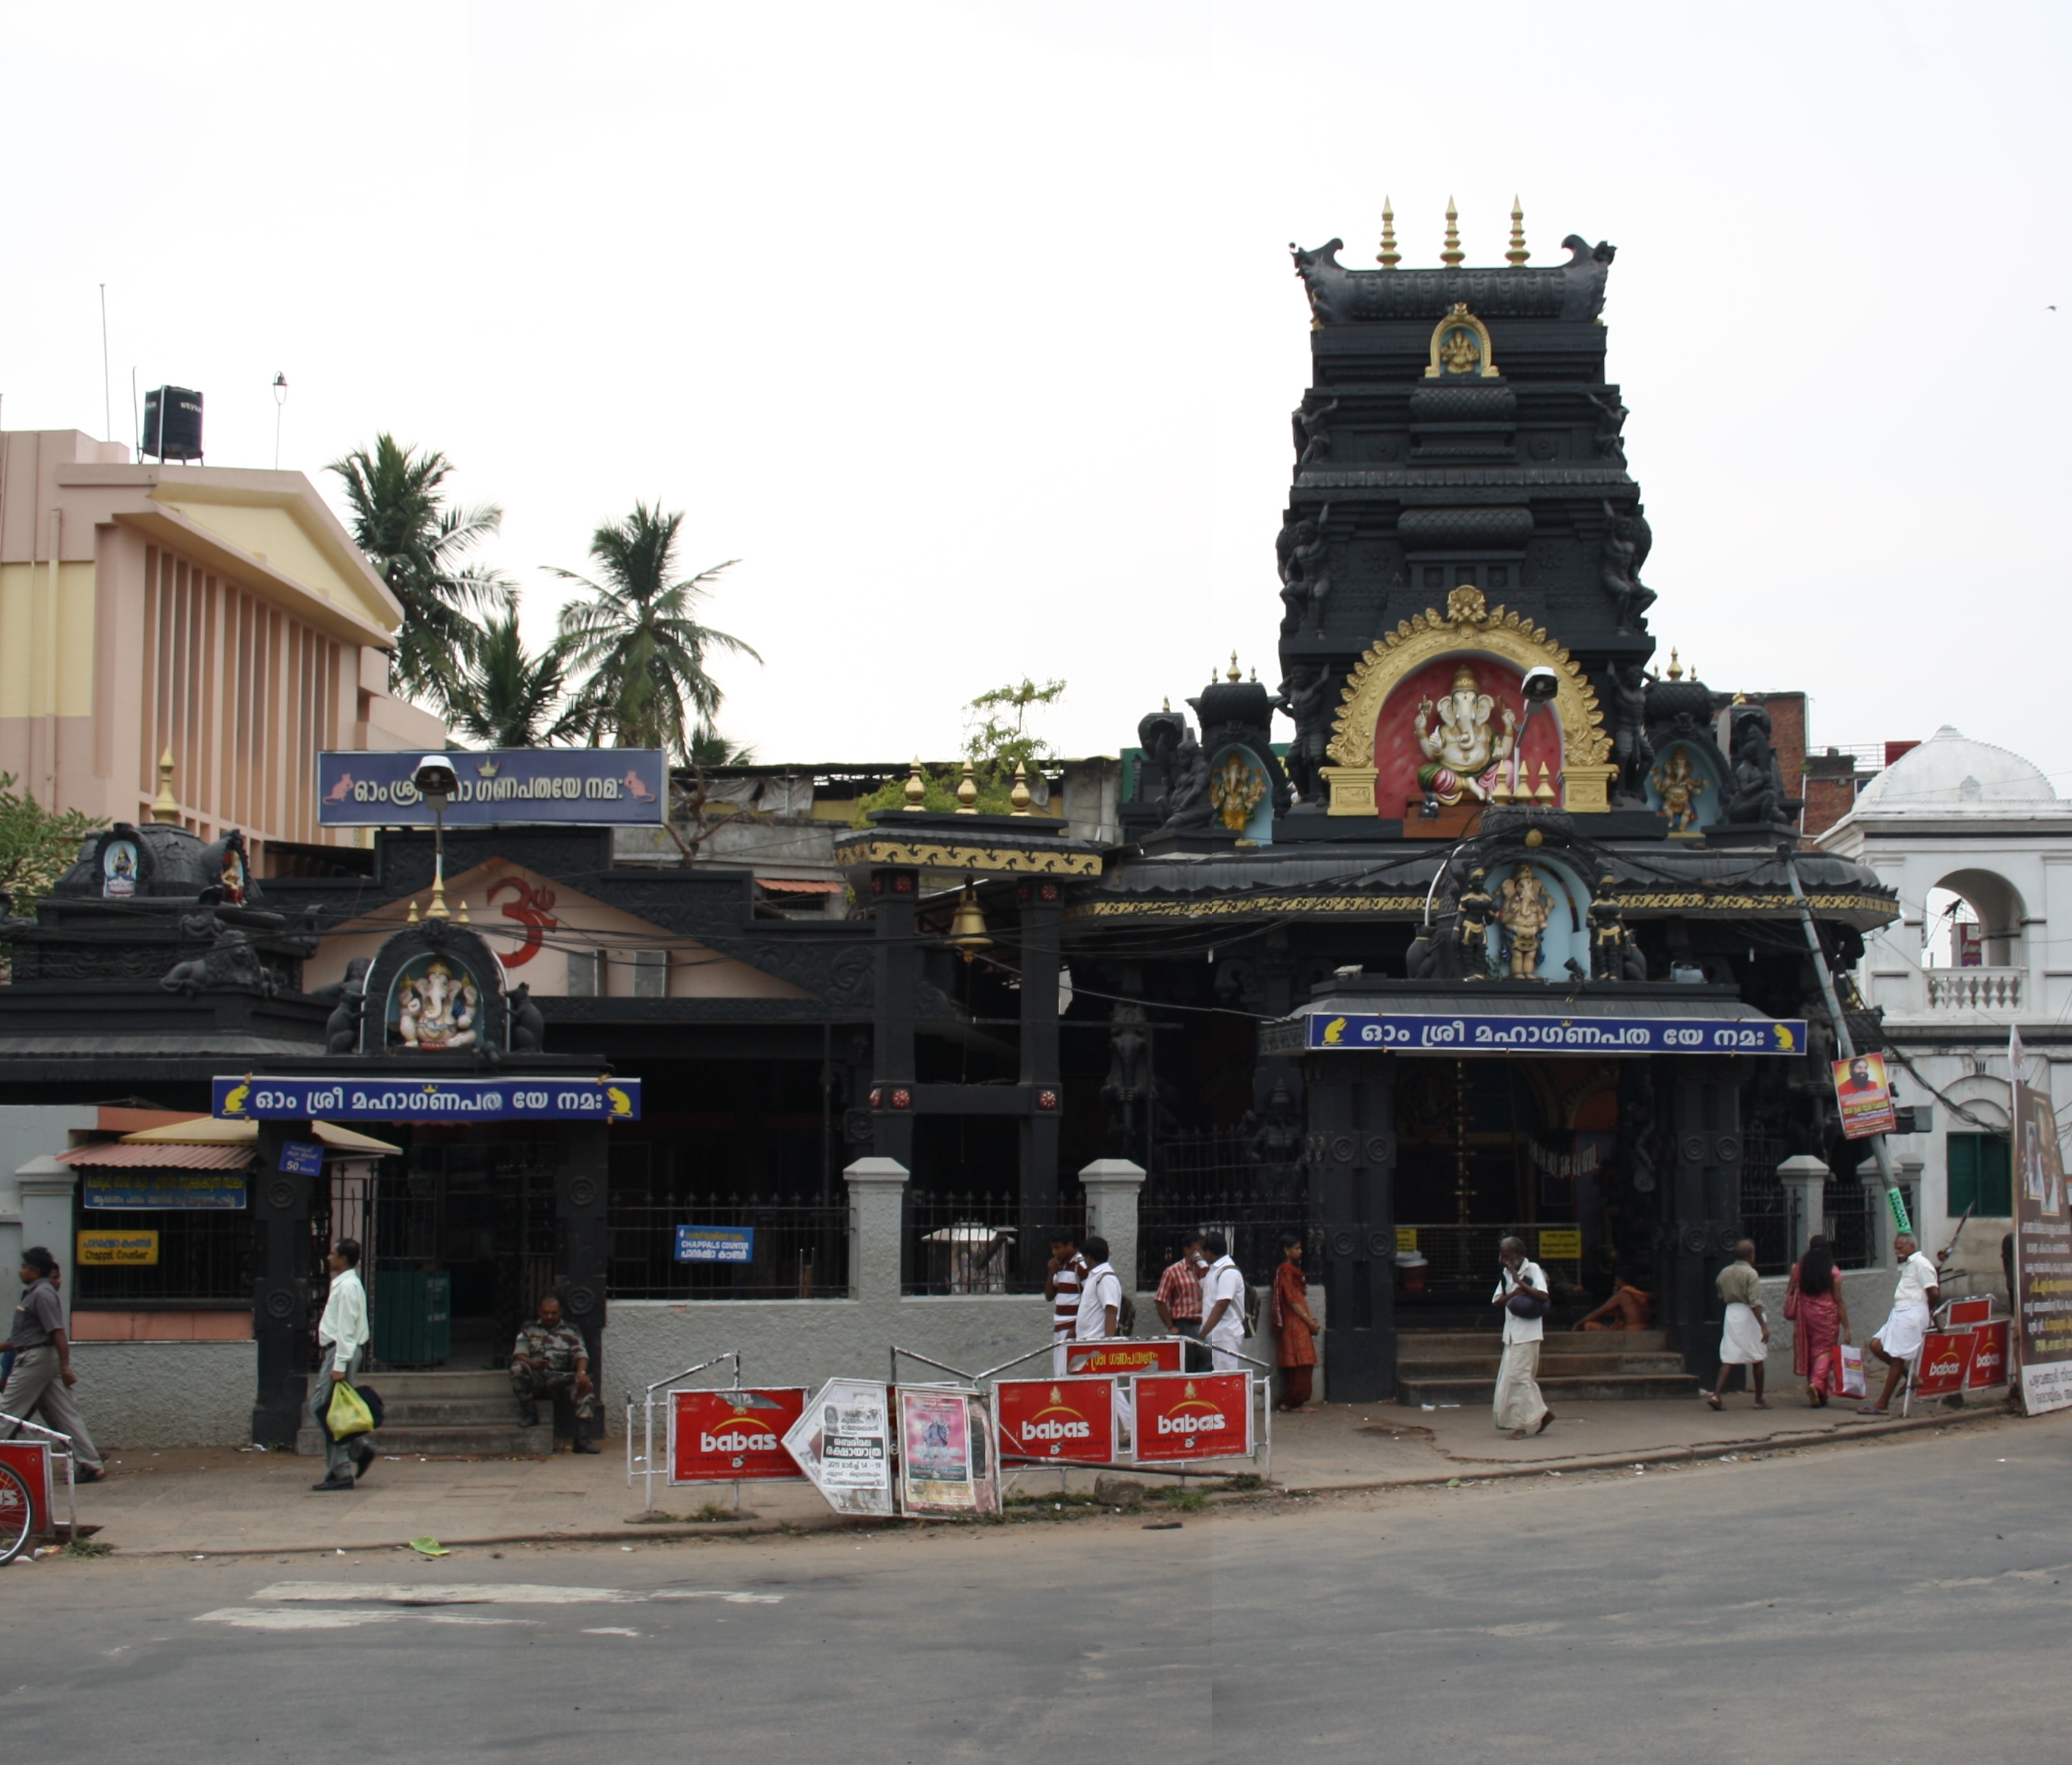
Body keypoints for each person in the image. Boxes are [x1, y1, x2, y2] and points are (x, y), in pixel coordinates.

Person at [1, 1247, 106, 1482]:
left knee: (7, 1412)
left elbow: (58, 1333)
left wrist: (65, 1368)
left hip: (35, 1361)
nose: (20, 1271)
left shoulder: (42, 1294)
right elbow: (21, 1338)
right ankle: (91, 1464)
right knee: (65, 1414)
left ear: (35, 1271)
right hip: (39, 1358)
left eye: (24, 1267)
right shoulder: (36, 1293)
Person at [309, 1237, 372, 1493]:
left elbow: (346, 1329)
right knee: (322, 1408)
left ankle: (341, 1471)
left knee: (330, 1414)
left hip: (340, 1352)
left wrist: (340, 1364)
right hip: (339, 1351)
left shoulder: (347, 1288)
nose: (329, 1258)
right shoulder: (346, 1284)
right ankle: (358, 1448)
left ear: (343, 1259)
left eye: (333, 1254)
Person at [1860, 1231, 1943, 1417]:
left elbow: (1934, 1292)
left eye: (1901, 1248)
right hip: (1900, 1312)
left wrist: (1928, 1313)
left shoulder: (1921, 1264)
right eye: (1896, 1249)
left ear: (1912, 1247)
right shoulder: (1910, 1265)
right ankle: (1911, 1377)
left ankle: (1882, 1403)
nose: (1898, 1252)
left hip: (1912, 1313)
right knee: (1876, 1345)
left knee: (1897, 1357)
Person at [510, 1291, 599, 1453]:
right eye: (545, 1313)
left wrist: (581, 1372)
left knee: (585, 1385)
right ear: (539, 1311)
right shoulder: (529, 1329)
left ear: (561, 1312)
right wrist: (533, 1364)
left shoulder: (571, 1331)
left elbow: (581, 1354)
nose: (549, 1317)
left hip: (560, 1381)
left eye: (553, 1313)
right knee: (517, 1368)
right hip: (536, 1379)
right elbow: (519, 1354)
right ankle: (530, 1413)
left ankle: (581, 1439)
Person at [1491, 1236, 1554, 1437]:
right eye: (1502, 1256)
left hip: (1528, 1335)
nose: (1504, 1260)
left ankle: (1520, 1426)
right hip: (1511, 1335)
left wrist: (1519, 1282)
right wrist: (1513, 1294)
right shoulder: (1505, 1275)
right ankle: (1544, 1415)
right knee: (1513, 1379)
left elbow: (1543, 1295)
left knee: (1519, 1379)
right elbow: (1497, 1302)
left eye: (1508, 1256)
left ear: (1519, 1255)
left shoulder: (1533, 1269)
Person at [1786, 1234, 1851, 1407]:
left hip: (1806, 1313)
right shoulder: (1833, 1271)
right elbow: (1838, 1300)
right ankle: (1816, 1384)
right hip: (1828, 1315)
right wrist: (1847, 1327)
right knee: (1825, 1351)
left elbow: (1790, 1290)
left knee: (1811, 1349)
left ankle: (1820, 1392)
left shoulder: (1799, 1268)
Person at [1708, 1238, 1771, 1410]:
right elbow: (1754, 1302)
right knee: (1758, 1357)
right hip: (1748, 1315)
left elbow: (1721, 1297)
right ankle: (1759, 1400)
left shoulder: (1724, 1273)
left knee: (1729, 1355)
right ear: (1752, 1255)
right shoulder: (1751, 1274)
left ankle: (1716, 1395)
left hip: (1732, 1313)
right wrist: (1763, 1327)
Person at [1271, 1232, 1321, 1412]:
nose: (1301, 1252)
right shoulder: (1285, 1272)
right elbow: (1293, 1301)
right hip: (1295, 1323)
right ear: (1286, 1251)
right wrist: (1309, 1321)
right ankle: (1294, 1401)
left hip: (1297, 1322)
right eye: (1297, 1249)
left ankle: (1292, 1401)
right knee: (1302, 1362)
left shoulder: (1289, 1272)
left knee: (1300, 1363)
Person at [1154, 1232, 1207, 1368]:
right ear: (1187, 1250)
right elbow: (1160, 1300)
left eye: (1202, 1249)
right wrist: (1171, 1326)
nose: (1199, 1254)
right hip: (1185, 1324)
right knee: (1188, 1366)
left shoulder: (1208, 1270)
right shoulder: (1173, 1272)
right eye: (1196, 1250)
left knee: (1207, 1366)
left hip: (1206, 1324)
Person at [1199, 1231, 1247, 1371]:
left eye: (1202, 1252)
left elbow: (1221, 1305)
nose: (1201, 1255)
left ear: (1209, 1253)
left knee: (1226, 1377)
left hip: (1226, 1334)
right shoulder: (1214, 1271)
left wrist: (1203, 1333)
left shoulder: (1228, 1273)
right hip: (1216, 1334)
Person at [1045, 1226, 1087, 1376]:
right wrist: (1051, 1272)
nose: (1054, 1252)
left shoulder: (1081, 1266)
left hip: (1072, 1331)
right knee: (1060, 1375)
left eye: (1058, 1248)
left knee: (1070, 1376)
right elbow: (1049, 1296)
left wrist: (1076, 1329)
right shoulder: (1061, 1265)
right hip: (1059, 1330)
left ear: (1070, 1246)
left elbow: (1091, 1300)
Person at [1074, 1237, 1123, 1343]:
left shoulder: (1106, 1278)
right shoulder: (1095, 1276)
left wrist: (1108, 1345)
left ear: (1089, 1258)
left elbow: (1111, 1311)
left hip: (1096, 1344)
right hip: (1086, 1342)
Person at [1573, 1271, 1653, 1332]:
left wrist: (1578, 1324)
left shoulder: (1623, 1295)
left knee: (1589, 1325)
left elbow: (1596, 1314)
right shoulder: (1639, 1294)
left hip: (1630, 1333)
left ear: (1620, 1281)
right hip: (1645, 1329)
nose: (1615, 1284)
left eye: (1616, 1281)